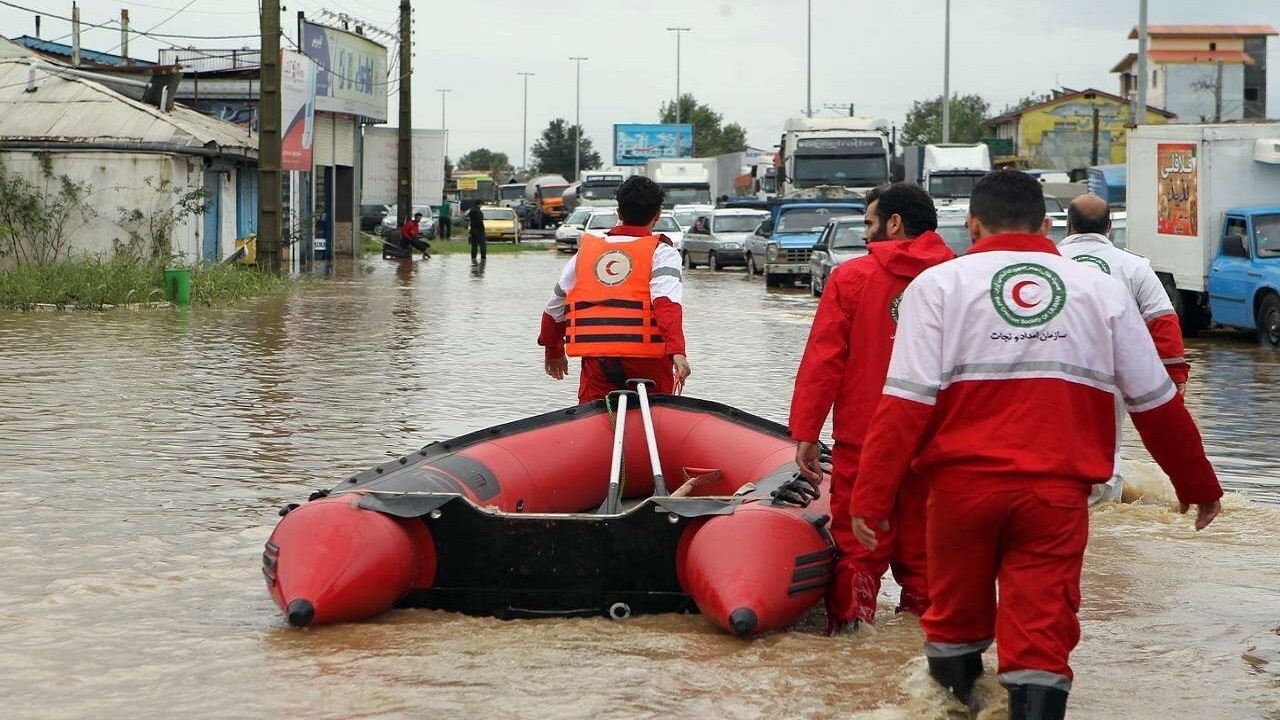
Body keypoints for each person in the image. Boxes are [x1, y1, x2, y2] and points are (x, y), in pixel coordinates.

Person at [849, 171, 1222, 720]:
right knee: (1042, 631)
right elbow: (1156, 400)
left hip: (959, 495)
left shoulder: (938, 285)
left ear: (972, 224)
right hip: (1056, 497)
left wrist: (872, 497)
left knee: (952, 620)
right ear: (1046, 225)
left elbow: (905, 404)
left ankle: (956, 705)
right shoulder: (1101, 288)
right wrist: (1197, 483)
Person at [788, 183, 955, 635]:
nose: (865, 235)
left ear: (894, 223)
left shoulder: (852, 278)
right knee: (927, 556)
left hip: (865, 440)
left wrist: (805, 431)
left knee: (858, 550)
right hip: (940, 442)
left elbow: (825, 361)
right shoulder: (961, 278)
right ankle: (920, 651)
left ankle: (850, 641)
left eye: (868, 222)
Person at [1059, 193, 1189, 505]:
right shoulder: (1134, 267)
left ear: (1067, 226)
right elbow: (1163, 322)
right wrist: (1174, 376)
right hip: (1110, 374)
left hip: (1048, 368)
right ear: (1109, 228)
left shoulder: (1043, 262)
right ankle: (1104, 511)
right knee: (1105, 446)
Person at [538, 175, 692, 404]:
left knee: (595, 420)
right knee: (655, 419)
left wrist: (554, 350)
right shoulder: (662, 252)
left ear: (618, 213)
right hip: (648, 360)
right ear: (657, 216)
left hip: (599, 359)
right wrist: (677, 352)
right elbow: (666, 304)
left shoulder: (586, 253)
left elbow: (555, 306)